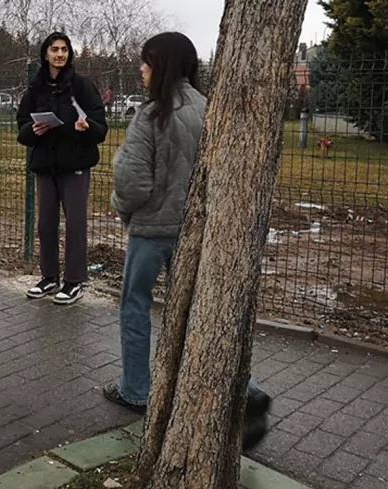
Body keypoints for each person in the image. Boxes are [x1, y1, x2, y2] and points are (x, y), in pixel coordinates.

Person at [101, 32, 270, 450]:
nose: (141, 69)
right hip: (194, 230)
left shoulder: (151, 115)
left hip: (151, 231)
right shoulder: (207, 109)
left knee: (135, 306)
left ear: (161, 65)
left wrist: (124, 210)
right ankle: (246, 389)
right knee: (199, 313)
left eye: (145, 62)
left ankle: (135, 389)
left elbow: (131, 180)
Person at [17, 32, 108, 305]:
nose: (59, 54)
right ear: (45, 53)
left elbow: (100, 128)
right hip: (46, 165)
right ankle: (49, 277)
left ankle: (74, 281)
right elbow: (21, 130)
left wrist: (86, 127)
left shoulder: (81, 86)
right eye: (54, 49)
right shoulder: (35, 89)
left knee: (76, 224)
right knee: (45, 224)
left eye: (64, 50)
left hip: (75, 165)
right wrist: (34, 130)